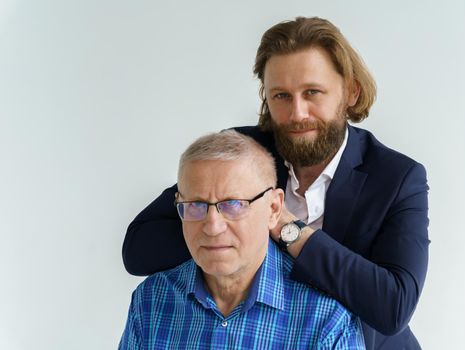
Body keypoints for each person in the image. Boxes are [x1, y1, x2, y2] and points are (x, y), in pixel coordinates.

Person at [122, 16, 429, 350]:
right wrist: (231, 220)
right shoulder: (245, 153)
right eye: (281, 96)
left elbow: (393, 306)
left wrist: (283, 226)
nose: (297, 113)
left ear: (351, 91)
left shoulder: (397, 177)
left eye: (312, 92)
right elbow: (139, 250)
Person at [119, 131, 365, 349]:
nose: (213, 227)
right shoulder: (152, 300)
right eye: (195, 205)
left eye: (234, 205)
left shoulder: (326, 318)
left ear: (273, 208)